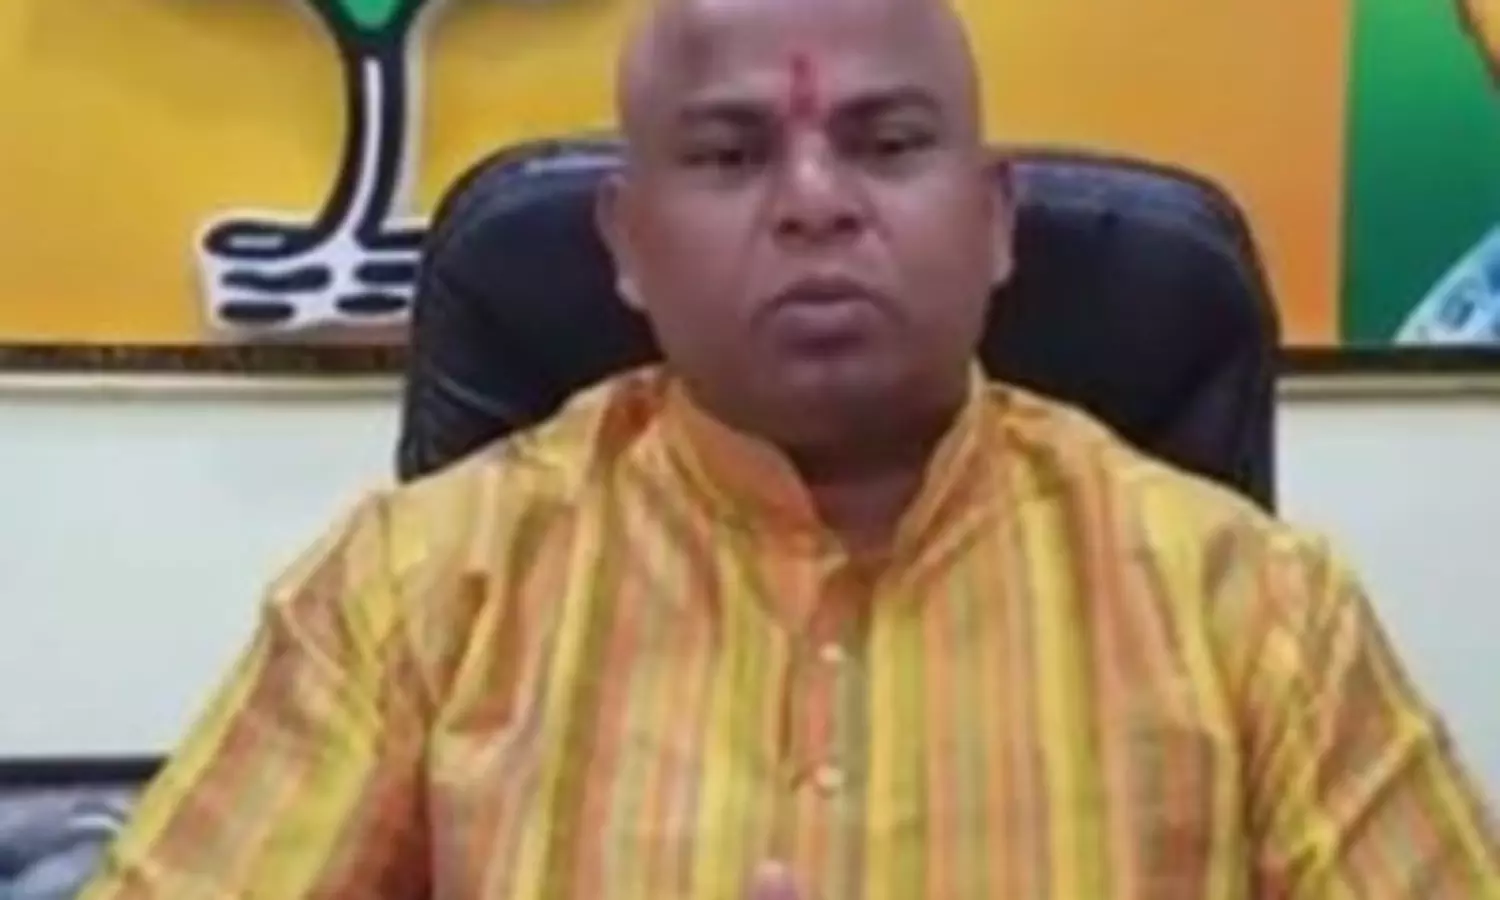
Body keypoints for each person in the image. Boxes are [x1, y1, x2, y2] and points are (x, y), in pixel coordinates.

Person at [82, 0, 1500, 895]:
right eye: (728, 155)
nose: (815, 202)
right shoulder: (415, 595)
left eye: (888, 145)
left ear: (995, 221)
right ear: (626, 243)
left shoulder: (1257, 616)